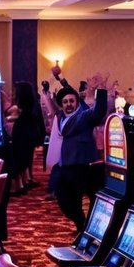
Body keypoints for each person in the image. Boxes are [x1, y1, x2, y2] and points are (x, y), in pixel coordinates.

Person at [53, 85, 107, 235]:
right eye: (65, 102)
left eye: (71, 101)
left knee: (78, 200)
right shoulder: (60, 117)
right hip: (63, 165)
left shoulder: (83, 116)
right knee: (64, 200)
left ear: (77, 103)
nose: (68, 104)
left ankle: (82, 227)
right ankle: (80, 223)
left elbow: (98, 112)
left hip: (81, 165)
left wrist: (101, 93)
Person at [9, 81, 43, 196]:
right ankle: (23, 183)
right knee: (25, 159)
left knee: (18, 159)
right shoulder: (33, 104)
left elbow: (13, 116)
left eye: (15, 91)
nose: (13, 93)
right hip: (30, 133)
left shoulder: (21, 107)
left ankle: (18, 186)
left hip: (22, 132)